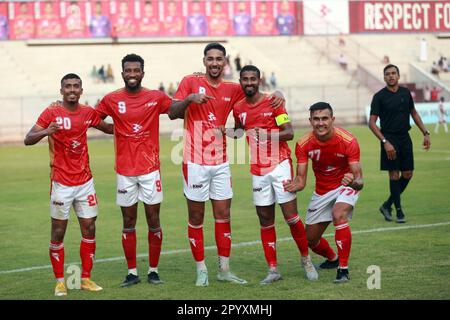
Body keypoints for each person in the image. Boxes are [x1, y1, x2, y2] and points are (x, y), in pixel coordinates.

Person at [168, 43, 285, 286]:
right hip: (194, 161)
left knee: (223, 216)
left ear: (225, 62)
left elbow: (256, 94)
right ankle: (201, 270)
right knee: (197, 217)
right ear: (204, 61)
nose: (214, 63)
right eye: (210, 59)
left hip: (220, 162)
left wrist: (279, 94)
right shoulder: (189, 81)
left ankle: (224, 269)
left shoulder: (233, 88)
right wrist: (190, 99)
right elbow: (172, 112)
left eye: (219, 59)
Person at [225, 65, 318, 284]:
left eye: (253, 79)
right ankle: (273, 270)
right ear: (240, 81)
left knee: (291, 217)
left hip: (280, 166)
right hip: (258, 170)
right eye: (245, 79)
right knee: (265, 220)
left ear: (259, 80)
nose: (249, 83)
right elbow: (240, 130)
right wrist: (224, 130)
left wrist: (266, 134)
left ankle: (306, 260)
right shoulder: (238, 108)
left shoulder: (273, 103)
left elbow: (289, 132)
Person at [24, 73, 113, 296]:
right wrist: (47, 131)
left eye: (76, 86)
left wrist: (130, 115)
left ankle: (85, 279)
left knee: (90, 228)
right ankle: (60, 281)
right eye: (68, 86)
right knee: (58, 231)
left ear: (81, 90)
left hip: (85, 182)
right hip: (61, 183)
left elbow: (109, 128)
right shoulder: (52, 112)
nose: (72, 89)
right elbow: (28, 138)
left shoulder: (87, 112)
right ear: (61, 90)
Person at [95, 54, 173, 287]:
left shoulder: (155, 97)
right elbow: (92, 118)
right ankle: (131, 272)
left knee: (153, 220)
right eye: (128, 71)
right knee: (128, 221)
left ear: (142, 73)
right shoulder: (111, 99)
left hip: (150, 170)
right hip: (125, 171)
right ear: (122, 74)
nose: (132, 74)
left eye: (136, 70)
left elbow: (175, 109)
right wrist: (112, 129)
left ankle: (153, 271)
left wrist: (189, 98)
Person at [284, 102, 364, 283]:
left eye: (325, 118)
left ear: (332, 119)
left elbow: (360, 180)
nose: (321, 123)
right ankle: (333, 259)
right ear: (310, 120)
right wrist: (290, 186)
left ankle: (343, 270)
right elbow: (301, 181)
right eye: (316, 119)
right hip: (322, 191)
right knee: (310, 240)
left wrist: (352, 181)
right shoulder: (303, 144)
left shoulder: (348, 141)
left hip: (345, 186)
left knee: (338, 214)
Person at [369, 64, 431, 224]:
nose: (391, 76)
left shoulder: (405, 93)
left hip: (405, 138)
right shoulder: (379, 97)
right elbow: (372, 123)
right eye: (387, 74)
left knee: (408, 174)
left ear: (398, 76)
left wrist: (425, 132)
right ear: (384, 77)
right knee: (394, 174)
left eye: (393, 73)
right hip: (389, 138)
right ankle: (399, 211)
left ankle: (386, 205)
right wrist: (385, 142)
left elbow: (414, 113)